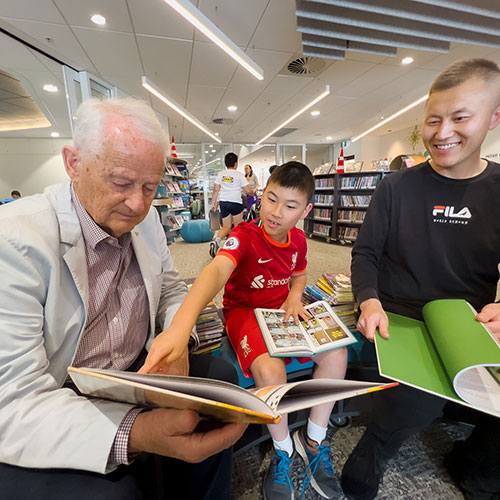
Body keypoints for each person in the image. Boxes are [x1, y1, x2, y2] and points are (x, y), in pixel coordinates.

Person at [0, 97, 246, 500]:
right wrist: (139, 432)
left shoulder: (148, 221)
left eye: (150, 187)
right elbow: (14, 399)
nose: (138, 204)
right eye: (121, 183)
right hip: (60, 395)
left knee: (219, 385)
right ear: (73, 163)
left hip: (137, 370)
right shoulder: (13, 241)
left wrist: (177, 337)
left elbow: (168, 289)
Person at [341, 58, 500, 500]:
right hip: (402, 316)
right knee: (419, 399)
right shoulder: (397, 187)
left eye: (460, 117)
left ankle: (476, 465)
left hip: (468, 323)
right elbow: (366, 253)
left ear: (493, 119)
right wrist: (368, 300)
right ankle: (373, 450)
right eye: (434, 119)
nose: (442, 131)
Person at [143, 162, 348, 500]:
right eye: (271, 199)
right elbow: (216, 272)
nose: (276, 212)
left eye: (290, 206)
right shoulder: (244, 236)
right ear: (261, 196)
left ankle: (313, 439)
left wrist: (296, 296)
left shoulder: (298, 239)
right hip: (245, 312)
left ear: (307, 210)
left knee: (337, 352)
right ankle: (282, 450)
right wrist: (180, 326)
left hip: (283, 312)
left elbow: (298, 274)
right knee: (270, 368)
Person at [209, 152, 253, 257]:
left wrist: (213, 204)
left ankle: (216, 242)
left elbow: (216, 190)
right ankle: (237, 247)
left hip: (224, 202)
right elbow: (247, 190)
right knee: (238, 226)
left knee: (226, 226)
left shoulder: (221, 174)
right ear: (236, 164)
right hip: (236, 202)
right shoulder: (239, 175)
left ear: (225, 163)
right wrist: (252, 193)